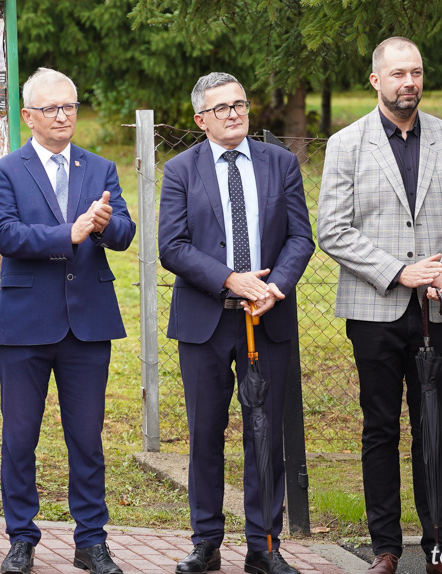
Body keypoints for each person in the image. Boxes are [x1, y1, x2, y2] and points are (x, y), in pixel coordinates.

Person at [317, 37, 442, 574]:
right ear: (376, 81)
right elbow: (333, 231)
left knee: (432, 428)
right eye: (397, 74)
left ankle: (439, 547)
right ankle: (386, 547)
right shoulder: (346, 144)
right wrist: (398, 271)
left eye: (415, 72)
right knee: (380, 428)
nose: (408, 82)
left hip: (436, 312)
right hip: (374, 310)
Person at [159, 72, 314, 574]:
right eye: (221, 107)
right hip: (205, 322)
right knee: (205, 434)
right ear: (201, 119)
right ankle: (206, 542)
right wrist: (231, 279)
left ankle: (264, 546)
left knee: (265, 435)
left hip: (266, 318)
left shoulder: (281, 163)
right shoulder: (181, 170)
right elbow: (172, 246)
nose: (233, 113)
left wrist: (273, 287)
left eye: (240, 104)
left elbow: (299, 238)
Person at [0, 67, 136, 574]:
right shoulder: (3, 171)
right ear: (28, 115)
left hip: (88, 324)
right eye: (52, 108)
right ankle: (21, 538)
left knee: (87, 439)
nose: (64, 115)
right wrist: (67, 234)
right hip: (26, 323)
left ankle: (91, 540)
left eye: (70, 106)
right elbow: (6, 236)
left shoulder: (100, 168)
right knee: (20, 437)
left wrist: (107, 224)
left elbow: (124, 234)